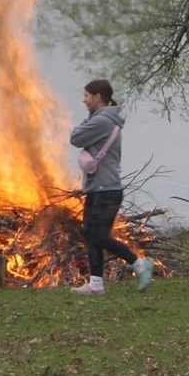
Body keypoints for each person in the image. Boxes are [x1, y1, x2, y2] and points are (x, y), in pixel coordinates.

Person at [68, 79, 151, 295]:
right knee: (89, 233)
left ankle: (139, 264)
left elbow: (75, 138)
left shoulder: (102, 121)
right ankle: (96, 285)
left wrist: (85, 123)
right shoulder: (99, 119)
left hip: (107, 189)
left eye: (87, 96)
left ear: (97, 97)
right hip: (96, 188)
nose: (83, 100)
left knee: (99, 236)